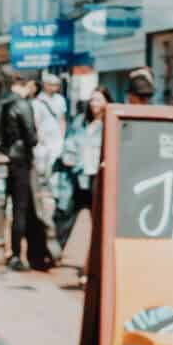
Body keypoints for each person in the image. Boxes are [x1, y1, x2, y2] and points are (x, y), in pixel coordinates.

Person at [0, 73, 50, 272]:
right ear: (27, 84)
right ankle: (15, 254)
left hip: (2, 159)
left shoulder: (2, 102)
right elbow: (32, 137)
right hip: (20, 161)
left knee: (1, 205)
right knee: (20, 209)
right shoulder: (21, 105)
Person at [58, 94, 107, 263]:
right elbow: (68, 143)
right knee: (65, 214)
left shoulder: (110, 124)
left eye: (99, 99)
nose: (94, 103)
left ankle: (98, 259)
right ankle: (55, 252)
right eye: (92, 99)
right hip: (78, 175)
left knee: (100, 221)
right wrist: (68, 157)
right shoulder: (80, 122)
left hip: (98, 178)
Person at [31, 73, 70, 243]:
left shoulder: (60, 101)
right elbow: (36, 122)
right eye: (51, 84)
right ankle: (42, 201)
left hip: (56, 144)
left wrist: (62, 138)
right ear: (45, 85)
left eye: (56, 85)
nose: (54, 87)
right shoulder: (37, 102)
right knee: (41, 174)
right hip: (43, 145)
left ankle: (52, 197)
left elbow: (62, 119)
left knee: (54, 175)